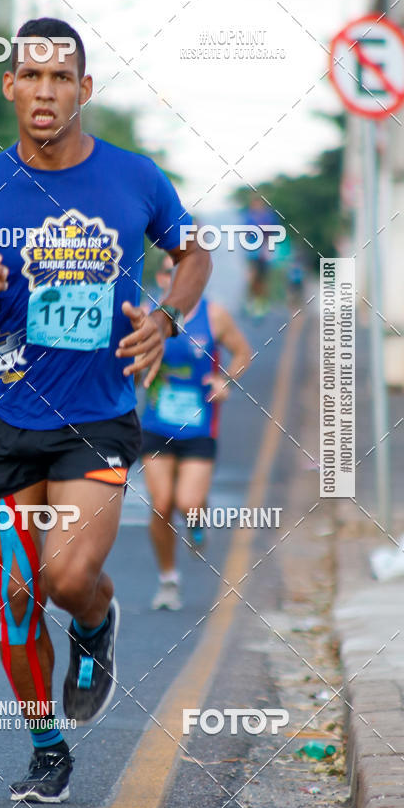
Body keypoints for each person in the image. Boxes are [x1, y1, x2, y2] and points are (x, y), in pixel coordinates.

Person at [0, 17, 210, 804]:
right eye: (34, 76)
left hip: (95, 413)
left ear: (84, 90)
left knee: (67, 575)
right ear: (11, 86)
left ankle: (96, 624)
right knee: (20, 592)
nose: (47, 91)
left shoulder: (135, 178)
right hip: (1, 415)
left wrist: (166, 317)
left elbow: (194, 252)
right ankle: (46, 749)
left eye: (63, 78)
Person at [141, 255, 251, 611]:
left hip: (200, 425)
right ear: (160, 278)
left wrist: (225, 381)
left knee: (187, 502)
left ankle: (198, 515)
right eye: (169, 274)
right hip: (156, 424)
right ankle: (167, 579)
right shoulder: (146, 316)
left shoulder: (214, 314)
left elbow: (242, 353)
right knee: (161, 505)